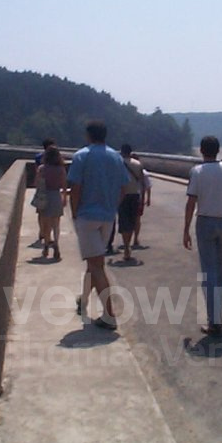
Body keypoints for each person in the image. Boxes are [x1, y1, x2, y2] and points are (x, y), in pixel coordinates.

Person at [183, 135, 222, 336]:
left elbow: (191, 202)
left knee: (208, 272)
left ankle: (214, 321)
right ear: (218, 150)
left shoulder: (198, 171)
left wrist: (185, 229)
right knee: (221, 272)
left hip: (205, 222)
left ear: (202, 151)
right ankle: (217, 317)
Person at [67, 121, 129, 331]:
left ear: (88, 135)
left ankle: (110, 316)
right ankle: (83, 301)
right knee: (94, 263)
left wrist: (75, 213)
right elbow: (124, 188)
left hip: (87, 216)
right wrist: (112, 207)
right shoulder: (116, 157)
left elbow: (75, 188)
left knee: (96, 266)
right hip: (107, 217)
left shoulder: (82, 156)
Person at [36, 146, 67, 260]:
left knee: (46, 224)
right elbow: (64, 185)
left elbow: (37, 183)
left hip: (45, 196)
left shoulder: (42, 168)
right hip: (56, 196)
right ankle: (56, 244)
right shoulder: (61, 169)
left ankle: (46, 245)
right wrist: (64, 198)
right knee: (56, 224)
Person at [118, 144, 144, 260]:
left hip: (122, 196)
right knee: (133, 220)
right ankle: (131, 242)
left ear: (122, 152)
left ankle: (127, 246)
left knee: (124, 222)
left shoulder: (118, 163)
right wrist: (143, 197)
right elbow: (142, 182)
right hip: (135, 195)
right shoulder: (138, 164)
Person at [34, 138, 56, 244]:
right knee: (51, 214)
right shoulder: (56, 159)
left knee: (41, 211)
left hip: (41, 189)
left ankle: (42, 231)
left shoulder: (38, 157)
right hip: (51, 189)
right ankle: (48, 235)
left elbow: (36, 172)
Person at [131, 152, 152, 248]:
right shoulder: (143, 172)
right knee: (137, 219)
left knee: (128, 218)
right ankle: (135, 238)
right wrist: (148, 198)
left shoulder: (123, 170)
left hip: (127, 196)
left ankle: (128, 238)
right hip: (139, 197)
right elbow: (148, 186)